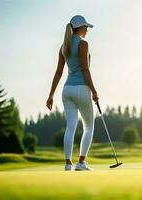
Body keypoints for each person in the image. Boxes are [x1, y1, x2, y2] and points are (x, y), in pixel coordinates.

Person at [46, 15, 99, 171]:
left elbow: (58, 72)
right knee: (89, 126)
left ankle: (68, 164)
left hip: (67, 89)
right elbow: (85, 69)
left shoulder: (64, 46)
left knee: (71, 126)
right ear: (80, 28)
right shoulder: (83, 44)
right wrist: (94, 91)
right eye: (86, 27)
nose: (87, 30)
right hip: (82, 88)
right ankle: (81, 162)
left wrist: (50, 95)